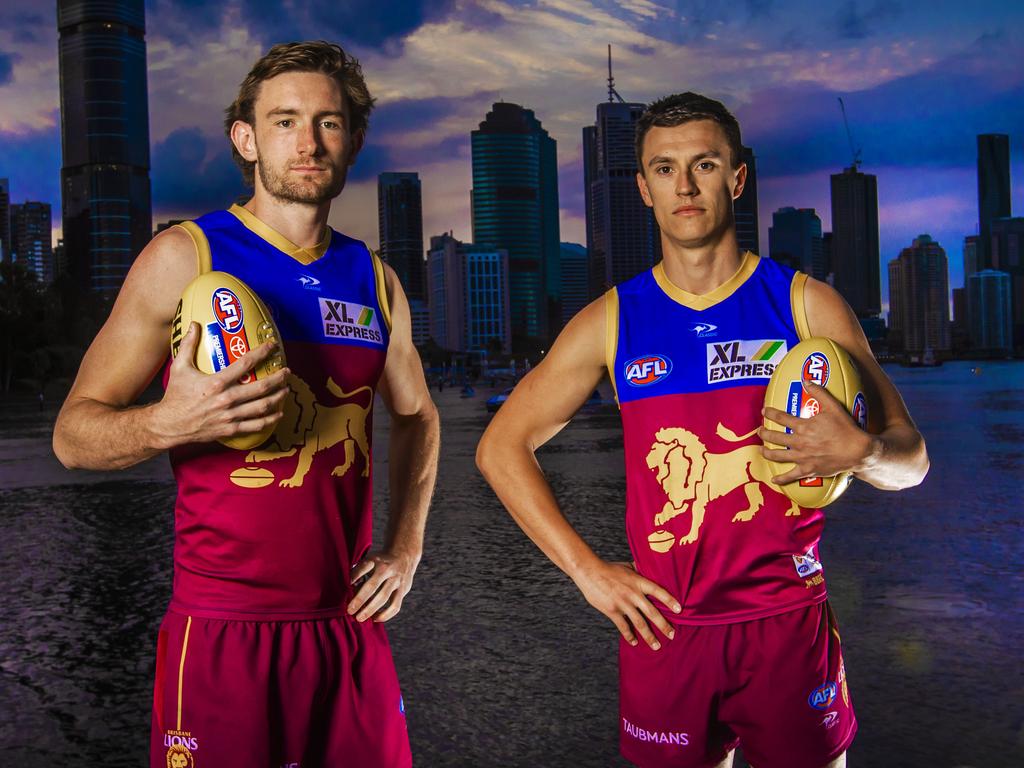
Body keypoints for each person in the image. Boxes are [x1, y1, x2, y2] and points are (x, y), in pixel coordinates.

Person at [477, 92, 928, 768]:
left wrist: (861, 452)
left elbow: (912, 459)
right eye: (665, 168)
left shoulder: (804, 302)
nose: (684, 186)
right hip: (666, 631)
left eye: (704, 164)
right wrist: (590, 574)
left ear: (737, 178)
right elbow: (498, 448)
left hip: (786, 626)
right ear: (643, 188)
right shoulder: (612, 320)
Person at [53, 41, 439, 768]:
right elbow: (74, 435)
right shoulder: (186, 255)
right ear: (246, 138)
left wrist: (406, 549)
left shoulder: (375, 278)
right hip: (223, 629)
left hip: (347, 626)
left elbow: (417, 414)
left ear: (353, 140)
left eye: (328, 122)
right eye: (285, 120)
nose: (308, 141)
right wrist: (171, 422)